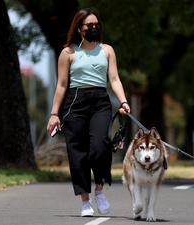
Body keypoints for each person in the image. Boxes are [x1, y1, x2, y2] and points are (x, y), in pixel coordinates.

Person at [46, 8, 130, 217]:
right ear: (79, 28)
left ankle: (99, 191)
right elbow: (62, 85)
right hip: (75, 103)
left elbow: (114, 79)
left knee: (100, 147)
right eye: (89, 25)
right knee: (78, 153)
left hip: (100, 102)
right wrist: (54, 114)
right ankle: (85, 202)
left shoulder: (107, 50)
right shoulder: (68, 53)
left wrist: (123, 101)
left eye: (96, 25)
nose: (94, 28)